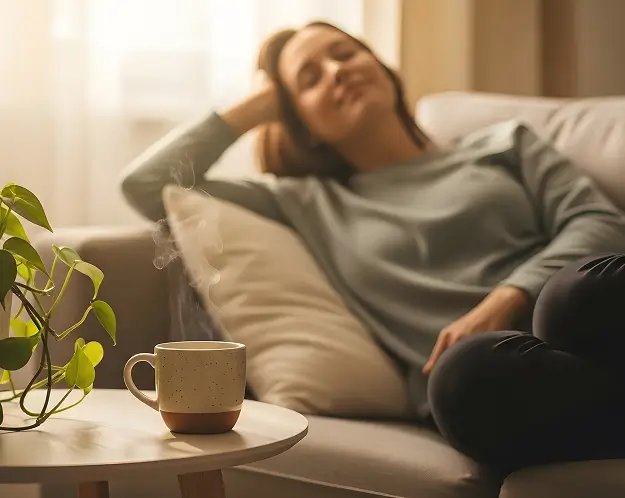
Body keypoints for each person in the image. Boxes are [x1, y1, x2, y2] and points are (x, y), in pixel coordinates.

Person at [120, 21, 625, 468]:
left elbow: (599, 220)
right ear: (302, 125)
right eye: (310, 79)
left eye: (345, 53)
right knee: (462, 378)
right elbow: (147, 184)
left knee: (572, 297)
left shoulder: (507, 144)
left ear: (381, 67)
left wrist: (511, 294)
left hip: (591, 326)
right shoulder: (308, 202)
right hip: (498, 373)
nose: (337, 72)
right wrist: (259, 107)